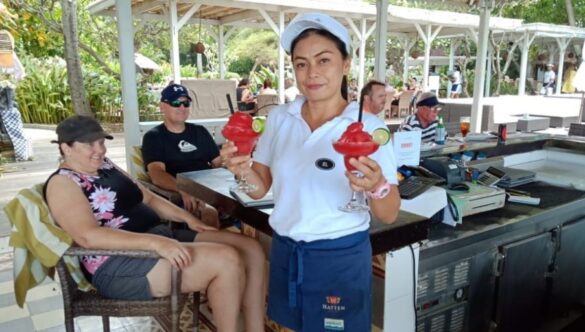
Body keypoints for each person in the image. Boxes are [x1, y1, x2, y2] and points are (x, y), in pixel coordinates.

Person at [220, 13, 400, 331]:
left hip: (339, 258)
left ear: (345, 64)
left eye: (323, 60)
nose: (311, 73)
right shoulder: (280, 118)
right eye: (301, 64)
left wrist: (376, 185)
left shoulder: (368, 127)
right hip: (287, 251)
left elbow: (388, 213)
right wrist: (240, 169)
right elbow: (260, 188)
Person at [44, 115, 266, 332]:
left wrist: (189, 219)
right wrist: (156, 244)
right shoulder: (63, 183)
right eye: (89, 144)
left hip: (157, 236)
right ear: (66, 148)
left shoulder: (106, 166)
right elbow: (88, 236)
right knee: (226, 260)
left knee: (250, 248)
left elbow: (148, 198)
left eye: (101, 142)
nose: (99, 150)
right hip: (118, 264)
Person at [142, 83, 221, 229]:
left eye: (186, 103)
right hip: (180, 194)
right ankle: (215, 249)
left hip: (212, 188)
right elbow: (156, 174)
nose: (182, 107)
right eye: (176, 103)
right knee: (209, 213)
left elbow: (218, 163)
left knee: (251, 205)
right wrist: (183, 189)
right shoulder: (154, 137)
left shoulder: (200, 131)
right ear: (162, 106)